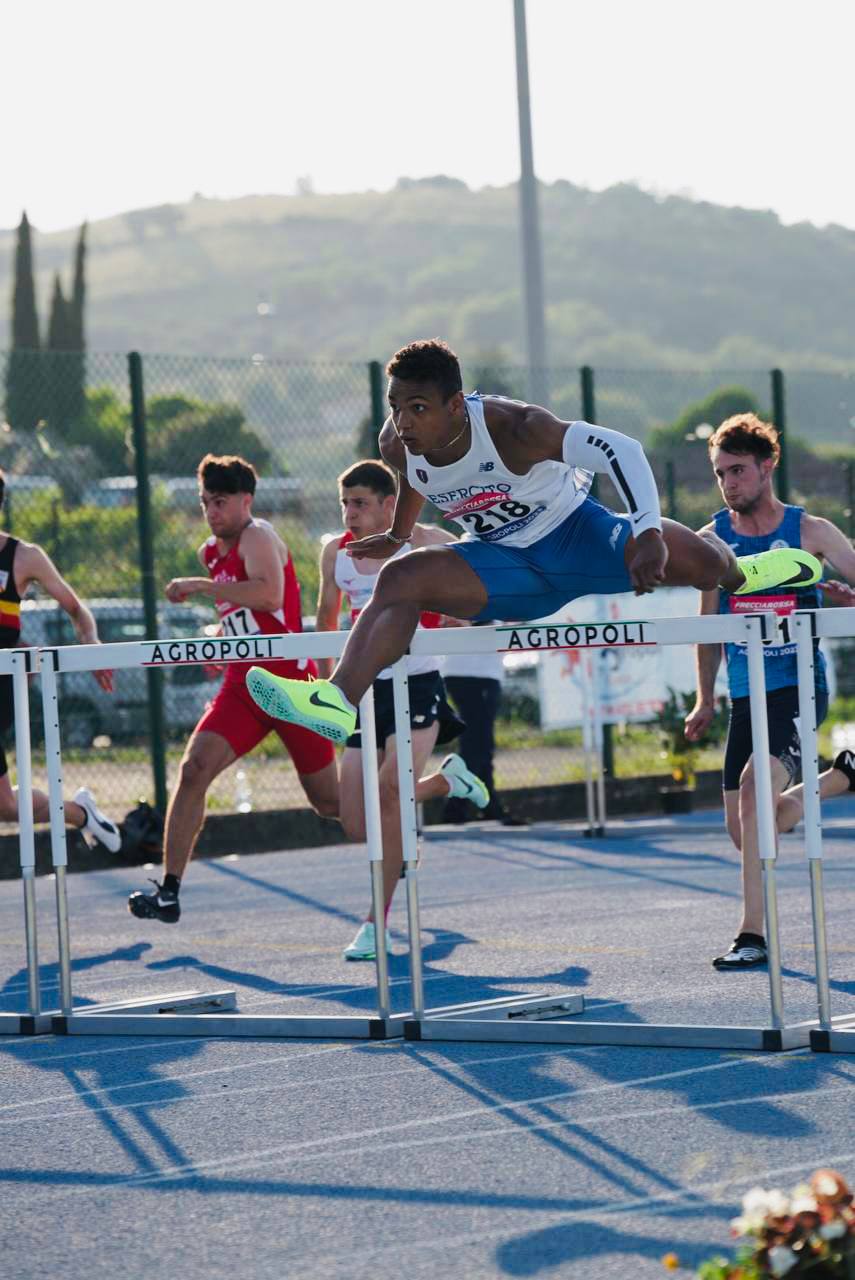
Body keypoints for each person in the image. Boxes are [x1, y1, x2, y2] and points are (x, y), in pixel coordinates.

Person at [245, 338, 822, 748]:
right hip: (505, 565)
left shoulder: (514, 427)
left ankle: (753, 573)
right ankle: (336, 701)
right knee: (400, 578)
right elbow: (415, 479)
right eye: (396, 408)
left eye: (418, 408)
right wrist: (397, 534)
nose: (405, 422)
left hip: (581, 537)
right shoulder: (397, 444)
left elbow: (621, 449)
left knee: (707, 559)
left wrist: (646, 528)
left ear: (455, 405)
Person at [128, 454, 338, 924]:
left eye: (220, 502)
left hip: (288, 685)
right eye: (205, 503)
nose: (211, 512)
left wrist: (202, 587)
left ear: (247, 500)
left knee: (330, 803)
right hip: (242, 684)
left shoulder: (259, 536)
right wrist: (220, 645)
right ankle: (169, 890)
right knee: (194, 767)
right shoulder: (210, 551)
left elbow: (267, 594)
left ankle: (409, 805)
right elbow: (242, 616)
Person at [684, 414, 855, 969]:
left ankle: (751, 935)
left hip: (800, 688)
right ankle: (838, 780)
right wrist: (704, 699)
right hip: (744, 696)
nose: (728, 483)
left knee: (760, 794)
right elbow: (707, 632)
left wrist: (847, 603)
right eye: (719, 474)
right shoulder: (711, 543)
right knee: (747, 834)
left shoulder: (813, 533)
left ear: (767, 467)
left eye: (737, 471)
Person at [316, 459, 489, 960]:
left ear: (390, 506)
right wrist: (330, 695)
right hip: (362, 691)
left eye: (361, 504)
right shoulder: (336, 554)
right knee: (354, 821)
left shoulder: (425, 540)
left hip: (416, 683)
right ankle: (443, 782)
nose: (350, 513)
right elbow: (326, 621)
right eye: (345, 503)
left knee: (391, 794)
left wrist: (459, 613)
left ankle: (375, 922)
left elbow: (477, 579)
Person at [0, 469, 119, 849]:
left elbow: (76, 609)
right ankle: (80, 812)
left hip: (1, 689)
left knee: (4, 805)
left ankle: (81, 813)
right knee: (4, 805)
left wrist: (92, 642)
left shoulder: (23, 557)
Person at [440, 621, 526, 825]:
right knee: (476, 744)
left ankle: (487, 805)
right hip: (471, 672)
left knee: (482, 744)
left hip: (480, 672)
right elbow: (470, 617)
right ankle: (456, 805)